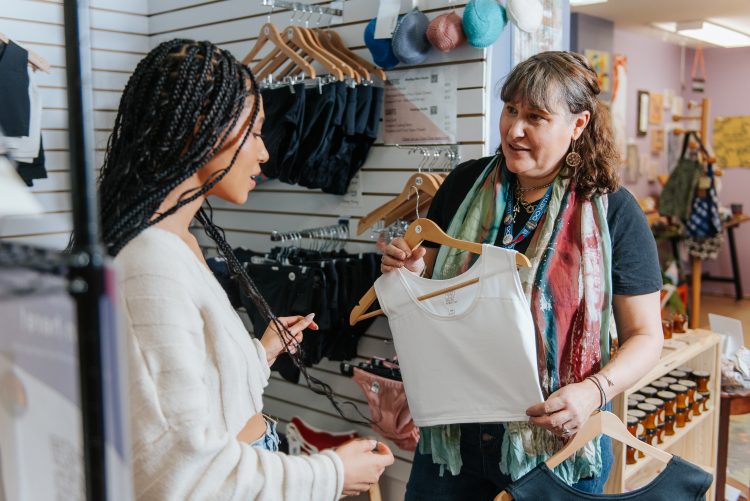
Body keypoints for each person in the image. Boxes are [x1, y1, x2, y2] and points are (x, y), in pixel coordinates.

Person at [99, 40, 394, 500]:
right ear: (204, 126)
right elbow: (181, 468)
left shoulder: (180, 240)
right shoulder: (150, 261)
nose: (265, 153)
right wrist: (332, 473)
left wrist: (260, 352)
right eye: (255, 133)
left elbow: (190, 399)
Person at [381, 51, 664, 499]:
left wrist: (592, 392)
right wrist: (411, 270)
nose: (514, 129)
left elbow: (648, 337)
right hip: (456, 428)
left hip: (557, 436)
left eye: (536, 116)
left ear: (578, 124)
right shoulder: (465, 184)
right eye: (510, 109)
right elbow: (433, 284)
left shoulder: (614, 213)